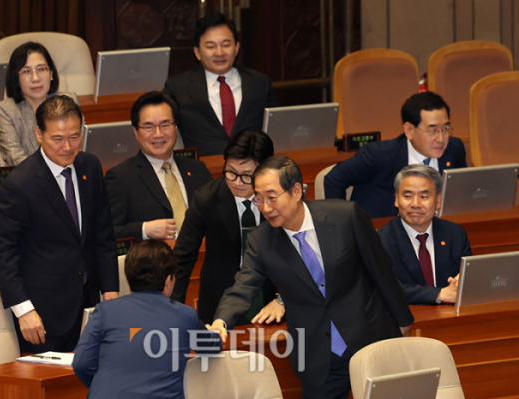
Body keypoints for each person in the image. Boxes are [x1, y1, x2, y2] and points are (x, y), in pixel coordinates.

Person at [211, 155, 414, 399]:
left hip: (369, 336)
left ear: (296, 191)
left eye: (272, 197)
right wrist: (220, 322)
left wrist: (402, 319)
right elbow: (243, 285)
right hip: (318, 356)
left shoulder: (345, 216)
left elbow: (381, 269)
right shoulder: (261, 240)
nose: (265, 207)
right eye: (259, 199)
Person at [0, 95, 118, 353]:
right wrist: (23, 309)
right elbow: (3, 252)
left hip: (89, 305)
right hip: (43, 314)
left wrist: (111, 292)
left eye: (74, 137)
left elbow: (103, 235)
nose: (68, 147)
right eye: (57, 139)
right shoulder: (19, 185)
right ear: (39, 134)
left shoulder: (90, 166)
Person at [72, 239, 222, 399]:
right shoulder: (185, 315)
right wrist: (215, 331)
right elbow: (212, 346)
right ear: (168, 280)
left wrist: (102, 385)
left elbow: (81, 362)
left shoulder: (105, 311)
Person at [172, 130, 283, 325]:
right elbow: (182, 258)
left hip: (272, 301)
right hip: (220, 302)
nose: (237, 183)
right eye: (231, 172)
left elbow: (301, 253)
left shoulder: (281, 198)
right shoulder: (207, 199)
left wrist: (282, 298)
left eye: (247, 176)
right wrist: (171, 312)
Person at [324, 92, 466, 218]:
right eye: (432, 130)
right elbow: (334, 179)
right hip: (384, 236)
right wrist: (343, 226)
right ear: (409, 130)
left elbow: (459, 193)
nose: (441, 138)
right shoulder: (379, 155)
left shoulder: (454, 149)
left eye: (445, 128)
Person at [163, 13, 279, 156]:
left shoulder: (259, 83)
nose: (219, 53)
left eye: (226, 45)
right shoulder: (178, 87)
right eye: (211, 46)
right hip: (203, 171)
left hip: (252, 167)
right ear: (197, 52)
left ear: (236, 48)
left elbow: (277, 126)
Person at [105, 91, 212, 242]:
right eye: (149, 127)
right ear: (135, 131)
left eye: (165, 125)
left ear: (176, 128)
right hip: (155, 262)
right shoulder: (121, 177)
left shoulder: (197, 169)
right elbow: (108, 231)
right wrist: (144, 230)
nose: (158, 134)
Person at [378, 164, 472, 305]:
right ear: (397, 199)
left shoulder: (455, 233)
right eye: (408, 196)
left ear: (438, 200)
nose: (415, 204)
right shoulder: (381, 240)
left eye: (424, 196)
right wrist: (440, 294)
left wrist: (461, 280)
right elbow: (386, 288)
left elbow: (469, 273)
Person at [0, 42, 80, 166]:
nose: (35, 78)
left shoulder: (68, 101)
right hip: (29, 181)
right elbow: (14, 157)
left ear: (51, 73)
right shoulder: (6, 110)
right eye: (26, 71)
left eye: (41, 69)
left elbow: (79, 147)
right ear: (16, 79)